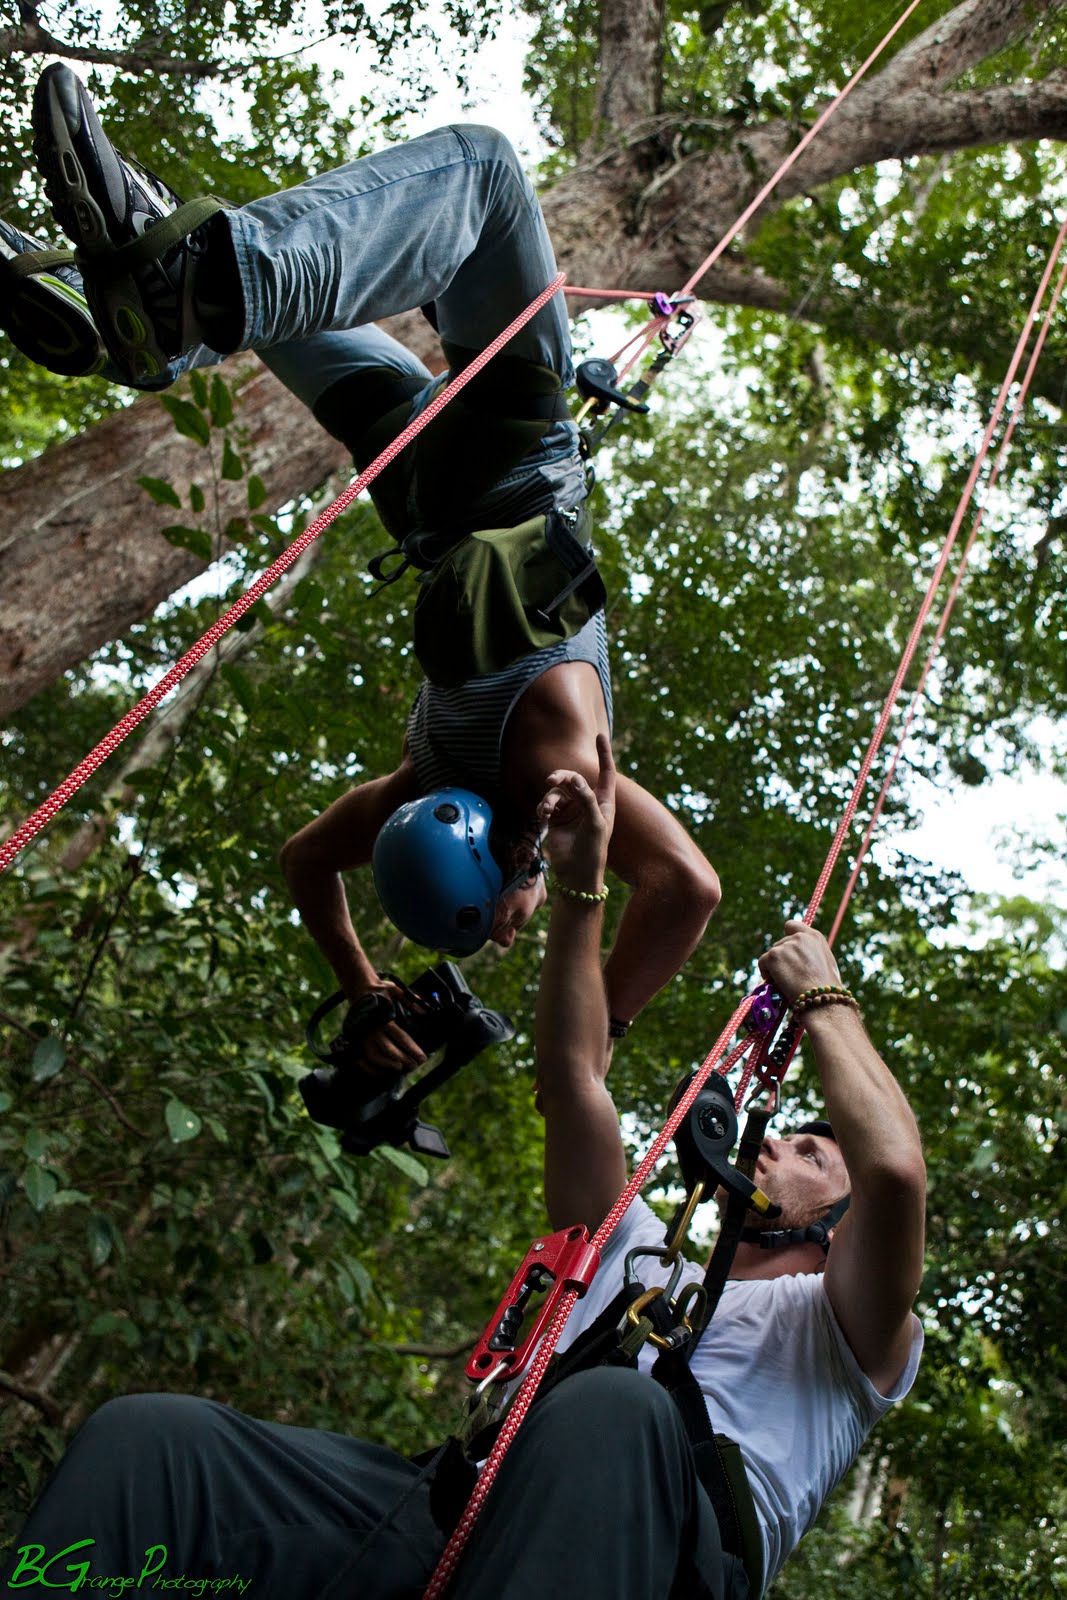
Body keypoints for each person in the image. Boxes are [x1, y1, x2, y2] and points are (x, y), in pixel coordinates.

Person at [0, 736, 925, 1600]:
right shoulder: (642, 1256)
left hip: (658, 1558)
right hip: (459, 1511)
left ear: (835, 1234)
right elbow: (573, 1080)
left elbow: (893, 1174)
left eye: (808, 1154)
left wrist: (823, 1003)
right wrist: (580, 885)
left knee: (613, 1408)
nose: (771, 1145)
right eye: (789, 1135)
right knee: (157, 1446)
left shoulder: (847, 1340)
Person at [9, 65, 722, 1080]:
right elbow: (308, 859)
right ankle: (120, 291)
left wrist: (595, 1025)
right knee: (268, 310)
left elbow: (689, 890)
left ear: (506, 844)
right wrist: (356, 980)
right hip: (420, 499)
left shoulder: (564, 771)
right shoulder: (417, 781)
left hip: (504, 463)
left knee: (479, 174)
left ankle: (169, 289)